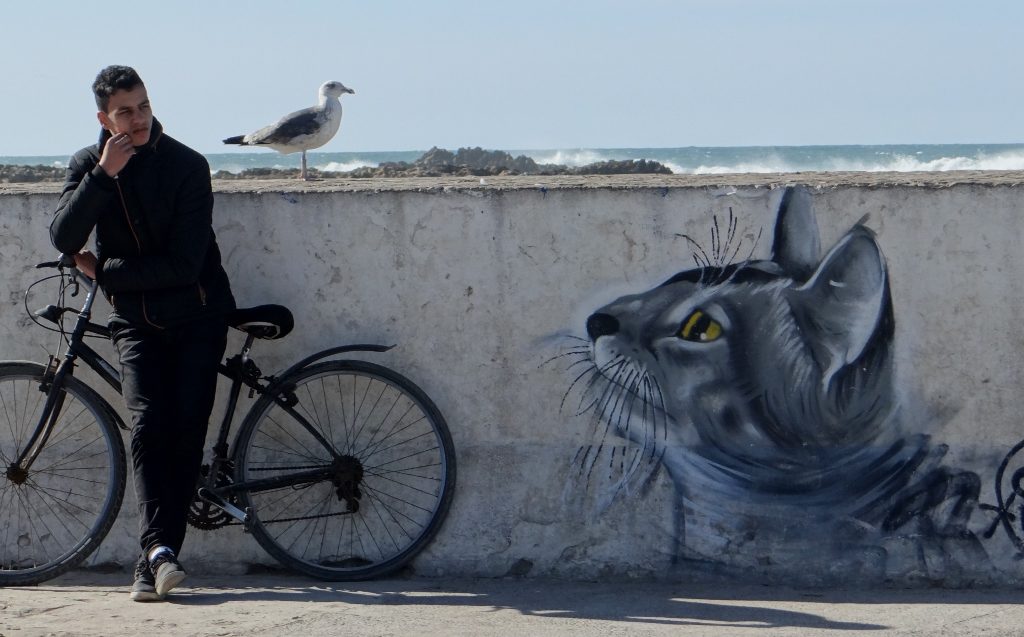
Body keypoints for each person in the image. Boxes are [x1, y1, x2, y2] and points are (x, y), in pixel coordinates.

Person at [50, 65, 235, 602]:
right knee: (149, 425)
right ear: (104, 118)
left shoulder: (187, 165)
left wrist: (103, 272)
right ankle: (159, 556)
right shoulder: (89, 164)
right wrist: (103, 175)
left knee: (184, 431)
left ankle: (152, 557)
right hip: (134, 321)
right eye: (125, 111)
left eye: (144, 106)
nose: (139, 119)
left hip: (199, 314)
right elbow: (63, 235)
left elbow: (183, 264)